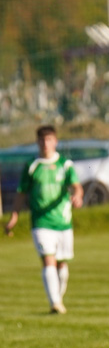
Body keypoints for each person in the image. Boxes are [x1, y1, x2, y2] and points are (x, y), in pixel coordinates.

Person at [4, 125, 83, 314]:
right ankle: (54, 302)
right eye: (42, 140)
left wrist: (77, 196)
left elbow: (76, 186)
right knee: (48, 260)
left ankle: (58, 297)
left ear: (55, 141)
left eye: (49, 140)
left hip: (63, 222)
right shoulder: (32, 166)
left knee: (62, 265)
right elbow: (21, 193)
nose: (45, 144)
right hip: (41, 222)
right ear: (37, 142)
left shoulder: (65, 164)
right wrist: (14, 215)